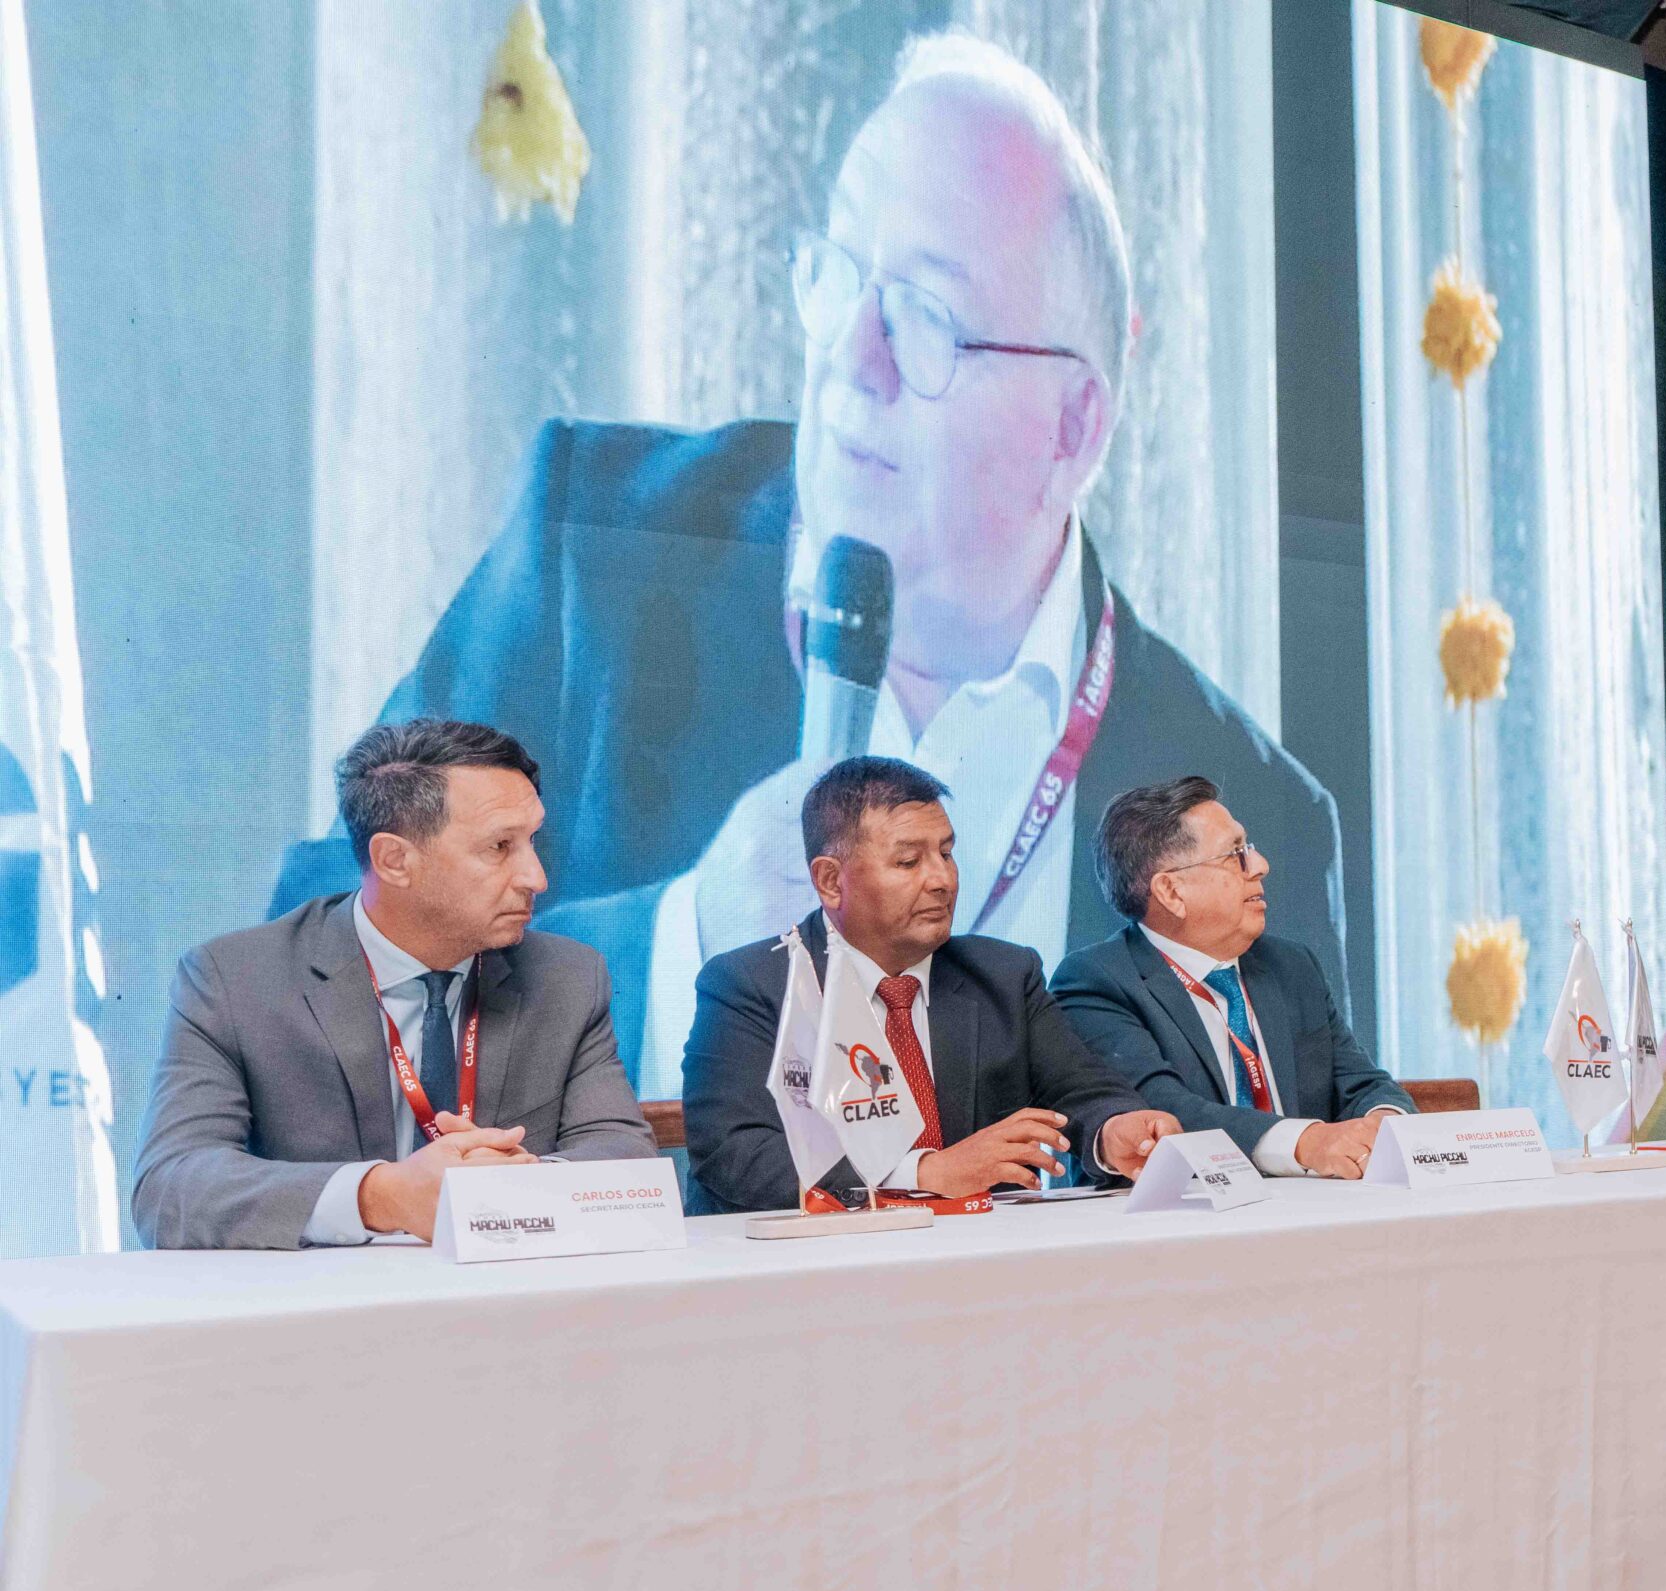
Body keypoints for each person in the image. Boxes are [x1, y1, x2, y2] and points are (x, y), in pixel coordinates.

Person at [263, 31, 1346, 1095]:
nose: (850, 361)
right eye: (839, 277)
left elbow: (1310, 1168)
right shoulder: (596, 553)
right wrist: (685, 944)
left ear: (1072, 427)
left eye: (926, 318)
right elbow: (296, 988)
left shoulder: (1262, 813)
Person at [131, 720, 655, 1249]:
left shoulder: (567, 977)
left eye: (531, 840)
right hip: (323, 1296)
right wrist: (382, 1195)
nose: (536, 878)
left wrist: (520, 1183)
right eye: (500, 846)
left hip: (512, 1288)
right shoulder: (235, 980)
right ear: (395, 860)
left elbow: (625, 1158)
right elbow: (171, 1188)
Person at [682, 757, 1181, 1213]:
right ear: (831, 881)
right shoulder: (753, 985)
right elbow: (736, 1153)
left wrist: (1117, 1130)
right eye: (908, 862)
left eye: (946, 853)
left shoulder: (1003, 975)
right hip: (811, 1265)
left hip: (980, 1259)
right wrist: (922, 1174)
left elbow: (1084, 1091)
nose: (942, 879)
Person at [1052, 778, 1412, 1180]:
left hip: (1308, 1209)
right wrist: (1304, 1142)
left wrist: (1382, 1123)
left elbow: (1362, 1083)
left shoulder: (1291, 966)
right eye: (1235, 854)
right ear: (1171, 891)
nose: (1260, 865)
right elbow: (1161, 1111)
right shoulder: (1096, 981)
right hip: (1178, 1212)